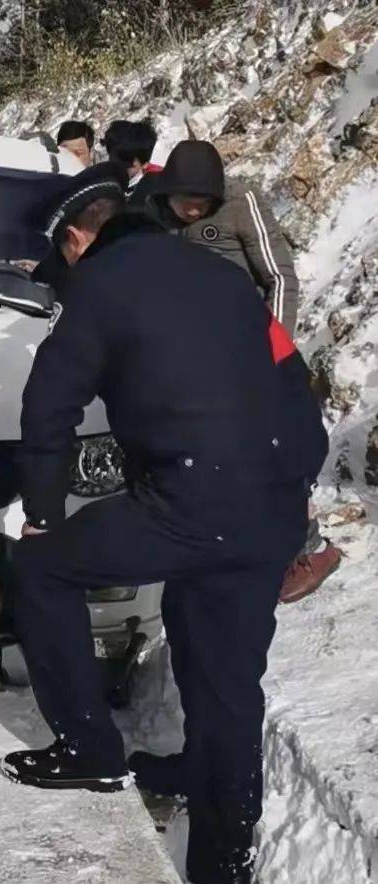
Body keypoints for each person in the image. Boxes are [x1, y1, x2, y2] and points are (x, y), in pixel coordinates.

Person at [0, 164, 327, 884]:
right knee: (225, 675)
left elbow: (47, 408)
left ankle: (88, 748)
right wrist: (295, 488)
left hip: (187, 500)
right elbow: (293, 381)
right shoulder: (225, 283)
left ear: (80, 240)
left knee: (43, 568)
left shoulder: (98, 286)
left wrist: (44, 512)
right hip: (268, 504)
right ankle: (223, 856)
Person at [148, 139, 340, 601]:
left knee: (273, 454)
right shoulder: (157, 216)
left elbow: (279, 277)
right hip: (193, 361)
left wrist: (272, 350)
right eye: (183, 203)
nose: (192, 212)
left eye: (201, 204)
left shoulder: (242, 204)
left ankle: (310, 551)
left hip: (253, 355)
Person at [101, 119, 162, 204]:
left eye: (127, 159)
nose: (120, 166)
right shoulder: (99, 186)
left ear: (144, 163)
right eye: (115, 157)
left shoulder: (156, 193)